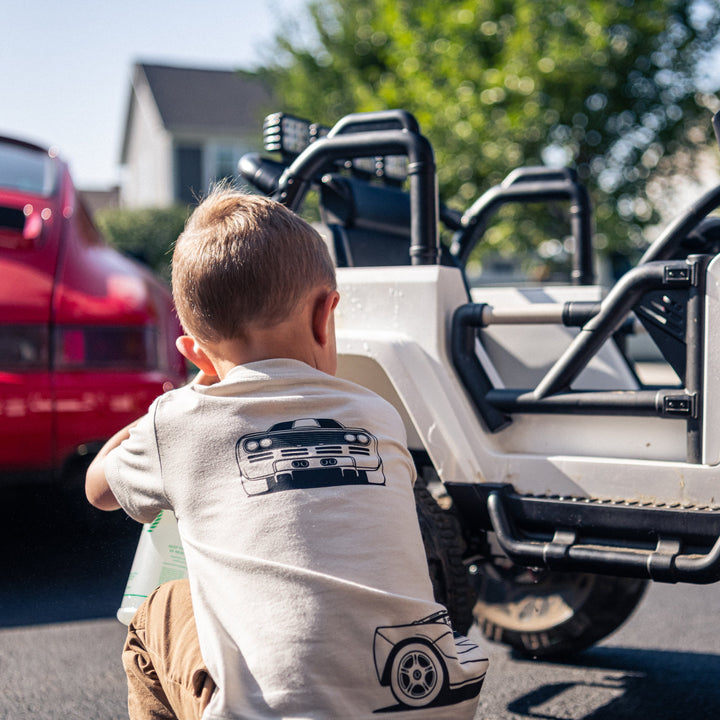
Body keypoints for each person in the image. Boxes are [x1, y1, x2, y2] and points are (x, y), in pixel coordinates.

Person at [86, 188, 488, 720]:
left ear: (195, 353)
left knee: (158, 610)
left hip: (276, 712)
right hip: (431, 702)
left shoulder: (178, 422)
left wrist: (160, 419)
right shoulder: (378, 415)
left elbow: (98, 491)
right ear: (327, 315)